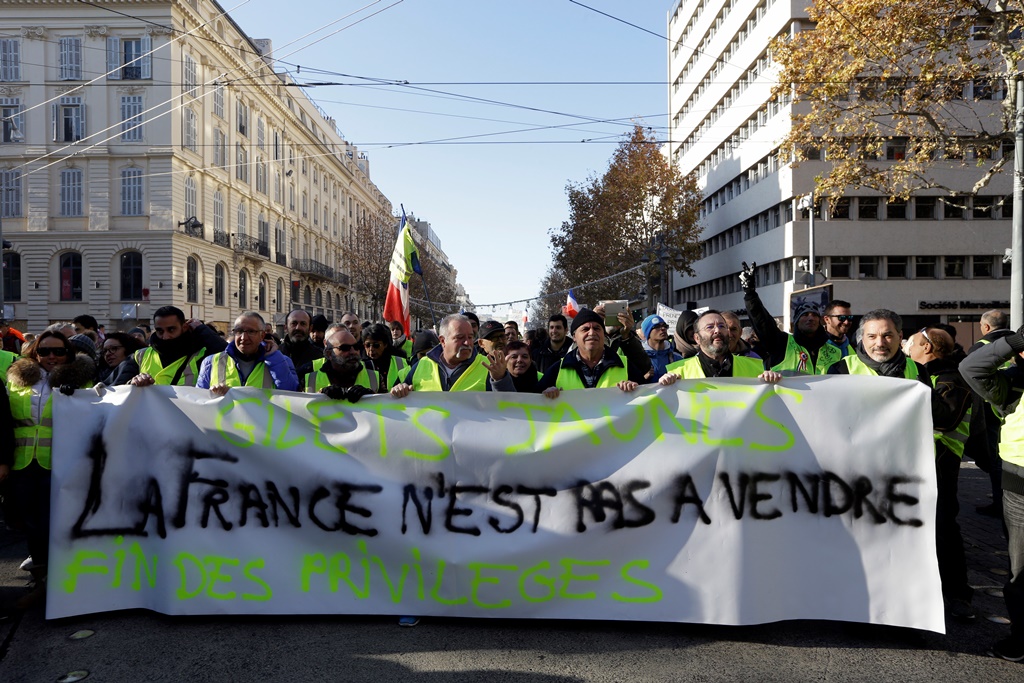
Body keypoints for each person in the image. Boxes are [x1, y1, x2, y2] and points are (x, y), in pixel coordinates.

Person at [6, 331, 95, 606]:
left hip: (60, 465)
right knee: (31, 525)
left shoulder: (83, 382)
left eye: (59, 351)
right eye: (45, 352)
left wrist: (77, 394)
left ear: (69, 354)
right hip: (22, 464)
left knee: (55, 524)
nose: (52, 357)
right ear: (35, 353)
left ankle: (65, 583)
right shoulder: (15, 382)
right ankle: (43, 583)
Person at [959, 324, 1024, 661]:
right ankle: (1020, 639)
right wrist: (1015, 341)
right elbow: (971, 367)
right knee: (1021, 571)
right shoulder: (1011, 383)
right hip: (1020, 487)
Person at [905, 326, 976, 621]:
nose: (907, 349)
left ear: (927, 348)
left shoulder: (950, 378)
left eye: (911, 344)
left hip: (941, 462)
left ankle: (957, 594)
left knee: (943, 528)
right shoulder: (928, 374)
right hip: (921, 461)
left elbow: (944, 419)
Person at [740, 261, 842, 374]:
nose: (810, 318)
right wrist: (750, 295)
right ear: (796, 321)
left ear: (820, 320)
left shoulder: (835, 351)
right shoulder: (782, 343)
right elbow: (763, 323)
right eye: (805, 315)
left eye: (814, 315)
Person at [391, 314, 514, 396]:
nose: (467, 343)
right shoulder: (422, 365)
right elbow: (401, 394)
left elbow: (508, 407)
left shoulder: (488, 367)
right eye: (460, 337)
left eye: (470, 337)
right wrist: (400, 389)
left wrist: (500, 379)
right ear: (443, 341)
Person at [538, 309, 647, 398]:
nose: (592, 332)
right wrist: (546, 394)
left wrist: (636, 390)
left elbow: (648, 396)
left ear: (603, 335)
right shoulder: (558, 369)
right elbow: (533, 401)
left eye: (596, 328)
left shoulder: (624, 364)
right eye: (585, 329)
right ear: (574, 337)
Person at [968, 309, 1015, 518]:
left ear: (986, 327)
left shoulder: (980, 348)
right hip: (1014, 410)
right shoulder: (1015, 343)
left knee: (996, 462)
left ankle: (1000, 503)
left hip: (991, 413)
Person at [112, 306, 227, 387]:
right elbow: (116, 389)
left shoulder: (201, 354)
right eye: (160, 331)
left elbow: (227, 354)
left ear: (184, 327)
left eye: (171, 329)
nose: (165, 336)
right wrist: (132, 383)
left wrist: (201, 328)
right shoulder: (140, 356)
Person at [659, 310, 775, 382]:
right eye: (709, 327)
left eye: (721, 326)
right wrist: (665, 388)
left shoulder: (754, 366)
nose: (717, 331)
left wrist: (773, 383)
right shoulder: (677, 371)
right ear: (697, 338)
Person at [197, 312, 298, 394]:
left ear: (262, 335)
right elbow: (198, 401)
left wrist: (274, 358)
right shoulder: (211, 362)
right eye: (239, 331)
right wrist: (213, 394)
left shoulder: (281, 361)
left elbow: (292, 394)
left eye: (251, 332)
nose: (244, 338)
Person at [826, 309, 927, 380]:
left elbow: (934, 410)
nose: (880, 343)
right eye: (872, 336)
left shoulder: (918, 370)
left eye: (887, 336)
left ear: (900, 337)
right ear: (862, 338)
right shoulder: (841, 370)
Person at [304, 325, 378, 400]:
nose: (353, 352)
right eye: (345, 348)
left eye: (356, 347)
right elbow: (299, 406)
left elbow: (387, 405)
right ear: (329, 354)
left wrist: (371, 397)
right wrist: (320, 395)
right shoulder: (308, 379)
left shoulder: (375, 377)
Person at [362, 323, 409, 390]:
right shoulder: (360, 365)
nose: (371, 349)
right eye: (367, 345)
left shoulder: (401, 363)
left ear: (385, 344)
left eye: (376, 345)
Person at [641, 314, 682, 381]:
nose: (663, 329)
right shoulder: (638, 359)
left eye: (665, 326)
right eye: (657, 326)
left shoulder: (677, 358)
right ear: (648, 333)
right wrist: (643, 378)